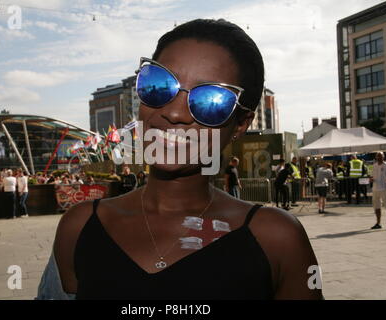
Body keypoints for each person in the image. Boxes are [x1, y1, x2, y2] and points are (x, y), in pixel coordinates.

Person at [37, 19, 322, 300]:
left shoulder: (278, 239)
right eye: (159, 85)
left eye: (211, 100)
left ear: (240, 124)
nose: (175, 113)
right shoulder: (80, 226)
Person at [370, 152, 386, 230]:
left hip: (384, 189)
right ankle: (378, 223)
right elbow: (372, 176)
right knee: (377, 207)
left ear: (383, 157)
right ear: (376, 157)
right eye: (378, 156)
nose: (379, 157)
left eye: (380, 156)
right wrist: (371, 179)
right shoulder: (374, 165)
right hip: (375, 189)